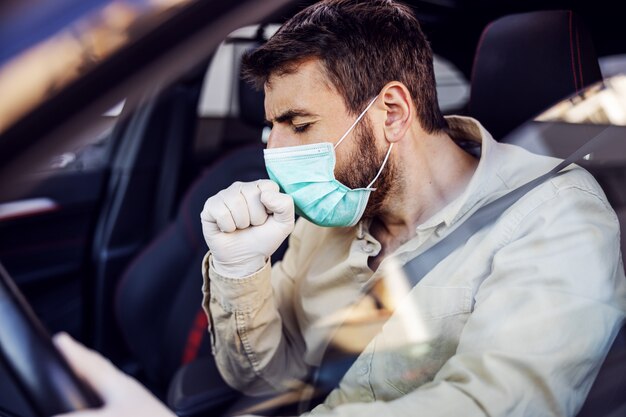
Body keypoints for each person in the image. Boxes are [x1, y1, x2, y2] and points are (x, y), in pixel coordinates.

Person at [54, 1, 626, 416]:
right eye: (270, 127)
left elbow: (487, 405)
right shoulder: (332, 215)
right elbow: (261, 375)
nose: (272, 152)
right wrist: (239, 269)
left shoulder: (556, 217)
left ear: (393, 113)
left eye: (297, 125)